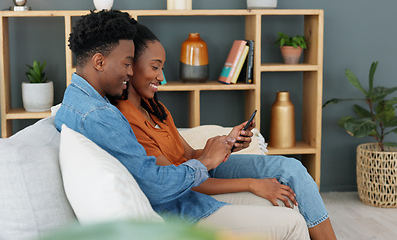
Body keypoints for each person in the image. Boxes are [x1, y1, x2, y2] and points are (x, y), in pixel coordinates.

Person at [55, 10, 309, 239]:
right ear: (99, 62)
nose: (130, 73)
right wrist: (207, 161)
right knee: (293, 222)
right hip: (177, 213)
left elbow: (175, 161)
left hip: (184, 202)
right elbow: (156, 184)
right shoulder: (100, 115)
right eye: (127, 64)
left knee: (285, 195)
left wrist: (219, 150)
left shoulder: (76, 102)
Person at [114, 22, 337, 240]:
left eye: (162, 68)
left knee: (292, 167)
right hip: (191, 183)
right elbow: (179, 179)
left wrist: (228, 143)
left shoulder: (155, 109)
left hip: (202, 170)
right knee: (284, 197)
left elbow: (190, 155)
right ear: (130, 66)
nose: (161, 77)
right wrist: (252, 183)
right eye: (155, 67)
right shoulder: (127, 121)